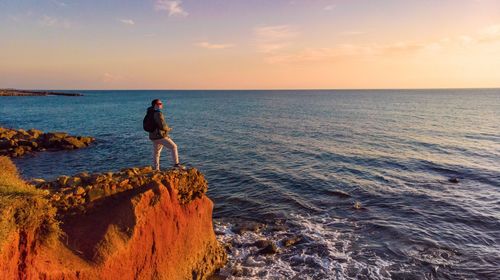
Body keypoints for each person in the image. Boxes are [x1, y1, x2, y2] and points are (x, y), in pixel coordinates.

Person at [147, 99, 182, 170]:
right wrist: (169, 129)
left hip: (152, 136)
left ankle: (156, 169)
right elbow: (162, 126)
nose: (161, 104)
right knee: (174, 147)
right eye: (160, 103)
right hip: (159, 136)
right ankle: (176, 164)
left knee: (156, 153)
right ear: (155, 105)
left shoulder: (149, 112)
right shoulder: (158, 113)